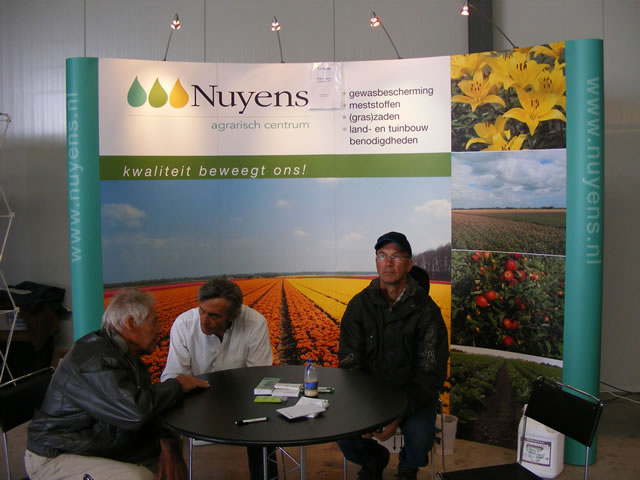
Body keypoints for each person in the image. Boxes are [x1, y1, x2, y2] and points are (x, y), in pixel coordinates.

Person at [25, 288, 210, 480]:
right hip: (57, 454)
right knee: (138, 478)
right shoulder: (95, 360)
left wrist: (168, 443)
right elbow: (134, 411)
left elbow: (150, 411)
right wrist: (178, 384)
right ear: (131, 324)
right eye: (154, 322)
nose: (160, 330)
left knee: (163, 457)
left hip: (95, 445)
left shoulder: (127, 355)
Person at [337, 232, 449, 480]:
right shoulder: (358, 307)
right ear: (376, 262)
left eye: (396, 256)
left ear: (409, 264)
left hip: (414, 396)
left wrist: (398, 413)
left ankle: (408, 469)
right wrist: (365, 409)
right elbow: (349, 363)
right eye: (382, 256)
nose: (388, 263)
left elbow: (430, 371)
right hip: (370, 395)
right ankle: (373, 460)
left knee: (421, 437)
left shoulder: (427, 311)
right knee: (343, 432)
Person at [160, 277, 276, 480]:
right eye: (202, 311)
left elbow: (261, 375)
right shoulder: (184, 325)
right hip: (198, 401)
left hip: (243, 400)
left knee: (265, 420)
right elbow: (173, 377)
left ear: (233, 315)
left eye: (214, 315)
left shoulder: (254, 323)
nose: (204, 320)